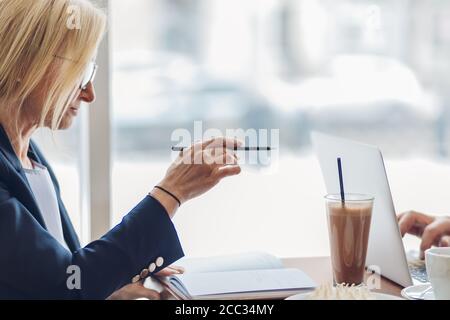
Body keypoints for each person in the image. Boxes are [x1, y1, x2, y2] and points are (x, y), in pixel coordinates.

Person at [0, 0, 241, 299]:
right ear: (26, 64)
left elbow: (63, 275)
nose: (89, 94)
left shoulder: (29, 155)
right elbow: (63, 284)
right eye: (81, 73)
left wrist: (112, 281)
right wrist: (171, 191)